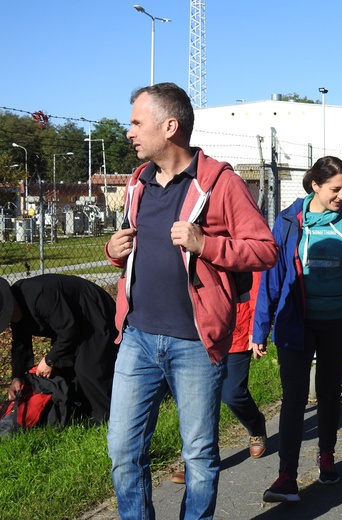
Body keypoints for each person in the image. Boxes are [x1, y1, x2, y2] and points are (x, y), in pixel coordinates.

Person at [104, 82, 278, 520]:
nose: (129, 132)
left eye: (136, 123)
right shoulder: (137, 182)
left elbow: (265, 250)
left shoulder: (219, 183)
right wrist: (113, 252)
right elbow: (131, 256)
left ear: (170, 126)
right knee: (123, 451)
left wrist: (207, 245)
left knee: (198, 458)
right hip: (138, 337)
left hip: (195, 345)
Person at [251, 156, 342, 503]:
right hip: (296, 323)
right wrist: (259, 328)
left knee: (328, 392)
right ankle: (286, 476)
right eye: (335, 189)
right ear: (315, 186)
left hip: (340, 323)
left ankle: (327, 456)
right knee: (294, 399)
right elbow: (271, 276)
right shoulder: (288, 222)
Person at [171, 271, 268, 484]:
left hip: (238, 330)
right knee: (200, 402)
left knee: (233, 393)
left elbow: (258, 290)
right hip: (200, 333)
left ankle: (256, 425)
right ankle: (198, 462)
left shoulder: (240, 241)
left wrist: (257, 330)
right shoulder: (193, 242)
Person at [2, 274, 118, 424]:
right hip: (70, 322)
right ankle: (80, 412)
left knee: (88, 370)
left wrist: (50, 359)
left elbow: (69, 331)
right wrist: (16, 377)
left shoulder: (39, 295)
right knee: (64, 368)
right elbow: (21, 345)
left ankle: (105, 419)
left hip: (92, 311)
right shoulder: (16, 312)